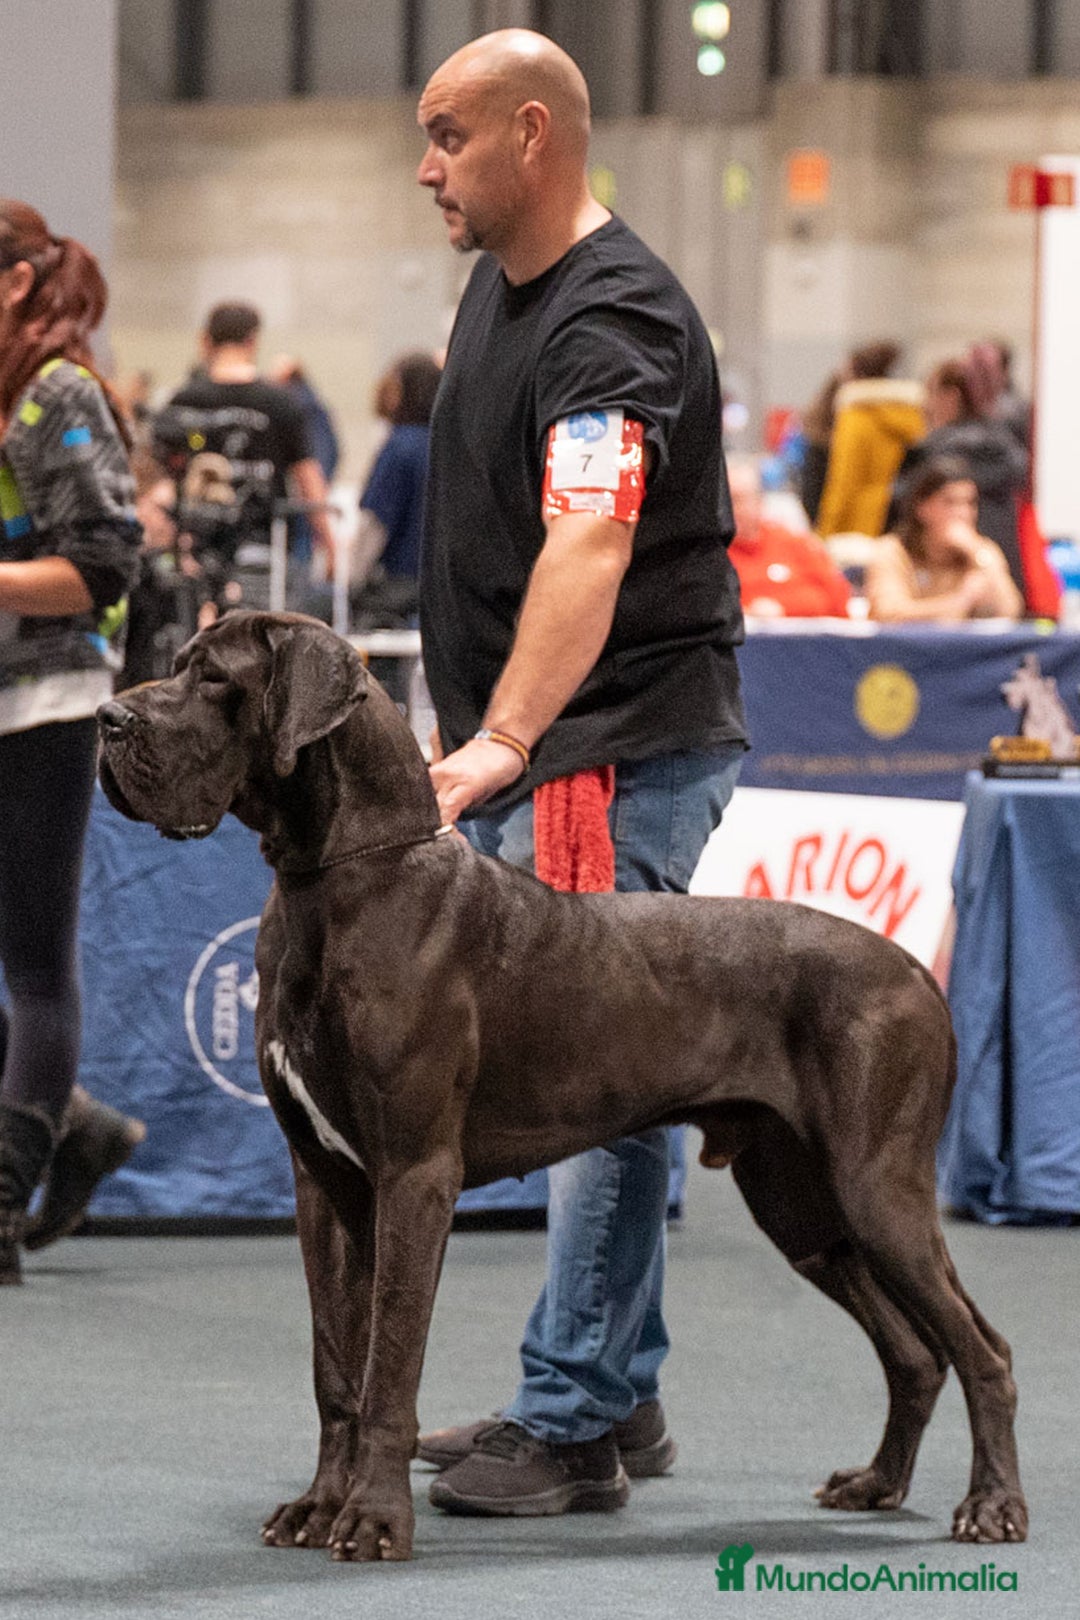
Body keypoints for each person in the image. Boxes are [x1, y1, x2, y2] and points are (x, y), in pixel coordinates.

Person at [413, 30, 747, 1515]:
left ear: (532, 134)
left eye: (448, 136)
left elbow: (591, 541)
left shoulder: (614, 318)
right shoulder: (504, 286)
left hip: (601, 750)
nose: (427, 169)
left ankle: (571, 1420)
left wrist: (504, 736)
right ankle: (619, 1382)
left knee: (595, 1074)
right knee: (587, 1067)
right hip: (554, 752)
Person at [0, 199, 146, 1284]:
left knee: (36, 963)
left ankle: (0, 1205)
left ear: (16, 281)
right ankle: (78, 1123)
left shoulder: (58, 394)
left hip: (46, 705)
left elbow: (103, 566)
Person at [152, 303, 335, 607]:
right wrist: (329, 545)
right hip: (265, 547)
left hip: (195, 550)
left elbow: (161, 476)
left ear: (206, 341)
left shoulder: (184, 401)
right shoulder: (279, 402)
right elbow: (308, 478)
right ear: (253, 340)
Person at [890, 358, 1029, 594]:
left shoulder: (933, 456)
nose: (926, 405)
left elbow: (900, 502)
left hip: (940, 577)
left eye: (930, 394)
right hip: (1003, 569)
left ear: (950, 396)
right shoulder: (1007, 449)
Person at [865, 456, 1022, 623]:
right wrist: (961, 601)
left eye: (969, 503)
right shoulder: (892, 551)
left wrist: (976, 552)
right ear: (922, 507)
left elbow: (1010, 611)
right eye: (950, 502)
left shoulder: (982, 550)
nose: (963, 513)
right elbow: (888, 613)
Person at [816, 340, 925, 539]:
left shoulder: (856, 416)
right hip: (904, 519)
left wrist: (825, 533)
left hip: (860, 524)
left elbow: (843, 481)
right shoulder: (911, 414)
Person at [727, 457, 851, 618]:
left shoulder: (795, 543)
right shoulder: (709, 556)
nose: (728, 509)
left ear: (759, 502)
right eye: (723, 502)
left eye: (737, 500)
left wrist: (783, 607)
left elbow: (838, 600)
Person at [267, 354, 340, 565]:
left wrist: (328, 541)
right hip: (305, 507)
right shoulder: (314, 407)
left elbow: (312, 471)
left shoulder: (297, 408)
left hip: (298, 510)